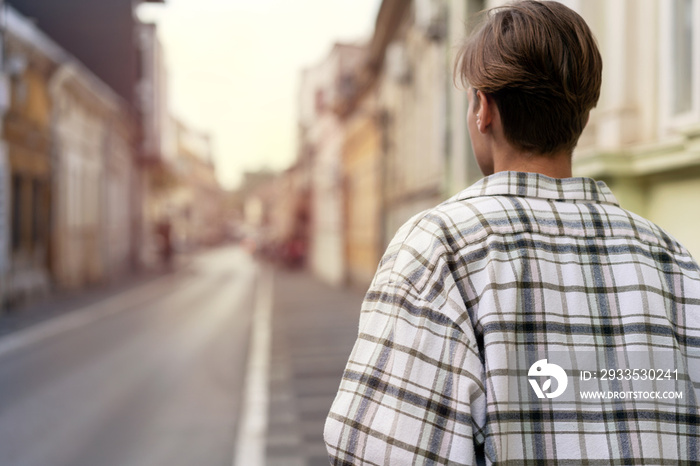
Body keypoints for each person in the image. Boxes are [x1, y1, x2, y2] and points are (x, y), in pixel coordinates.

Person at [324, 1, 700, 464]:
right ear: (581, 115)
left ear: (483, 109)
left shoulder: (437, 252)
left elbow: (379, 453)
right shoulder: (675, 262)